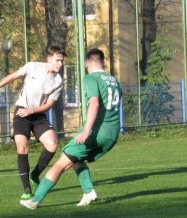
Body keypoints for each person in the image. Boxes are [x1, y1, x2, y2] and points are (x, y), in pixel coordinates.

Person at [20, 48, 122, 209]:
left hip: (96, 131)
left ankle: (34, 201)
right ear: (103, 62)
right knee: (76, 159)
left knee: (60, 163)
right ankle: (89, 192)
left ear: (87, 63)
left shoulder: (90, 78)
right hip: (112, 134)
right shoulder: (114, 81)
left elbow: (94, 104)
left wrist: (86, 131)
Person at [0, 46, 67, 199]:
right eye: (57, 60)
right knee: (22, 147)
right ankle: (27, 189)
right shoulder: (33, 67)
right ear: (49, 59)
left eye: (61, 61)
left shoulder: (58, 81)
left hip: (38, 114)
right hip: (21, 113)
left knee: (53, 144)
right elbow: (13, 76)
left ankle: (35, 175)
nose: (60, 64)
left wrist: (32, 111)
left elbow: (49, 105)